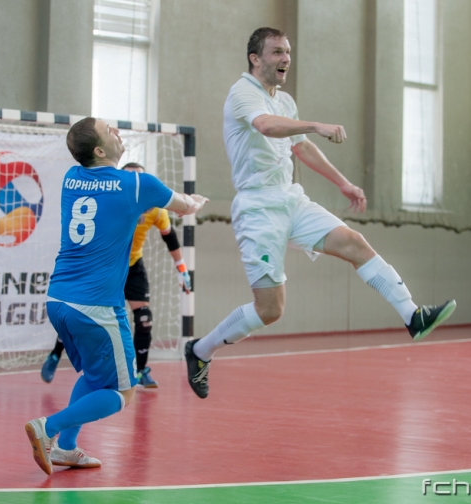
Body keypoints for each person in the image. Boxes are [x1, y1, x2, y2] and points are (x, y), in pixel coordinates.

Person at [183, 27, 456, 399]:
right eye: (277, 52)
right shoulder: (242, 93)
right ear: (255, 58)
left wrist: (344, 183)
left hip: (291, 199)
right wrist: (316, 124)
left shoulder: (285, 100)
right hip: (258, 208)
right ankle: (200, 350)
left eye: (287, 52)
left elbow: (302, 148)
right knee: (270, 310)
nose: (285, 59)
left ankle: (412, 315)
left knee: (354, 243)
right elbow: (266, 126)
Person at [25, 117, 207, 475]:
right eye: (110, 131)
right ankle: (48, 427)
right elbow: (184, 206)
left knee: (95, 378)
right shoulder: (136, 184)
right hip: (96, 307)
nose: (117, 133)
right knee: (123, 393)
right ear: (98, 149)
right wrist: (196, 202)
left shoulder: (71, 177)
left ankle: (66, 448)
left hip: (59, 300)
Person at [40, 162, 192, 388]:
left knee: (144, 319)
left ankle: (140, 371)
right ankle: (55, 354)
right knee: (79, 313)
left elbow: (169, 236)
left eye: (139, 179)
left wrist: (182, 269)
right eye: (131, 178)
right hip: (105, 266)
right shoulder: (112, 201)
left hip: (132, 265)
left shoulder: (155, 210)